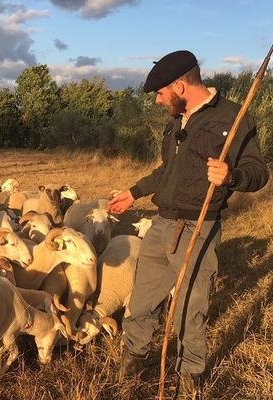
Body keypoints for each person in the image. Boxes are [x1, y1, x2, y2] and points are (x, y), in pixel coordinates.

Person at [108, 50, 269, 398]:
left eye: (161, 93)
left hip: (199, 228)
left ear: (180, 85)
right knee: (141, 303)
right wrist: (134, 193)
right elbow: (167, 170)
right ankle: (130, 368)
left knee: (189, 310)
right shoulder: (176, 120)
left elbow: (259, 173)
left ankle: (189, 380)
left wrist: (232, 176)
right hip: (161, 223)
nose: (157, 99)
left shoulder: (234, 116)